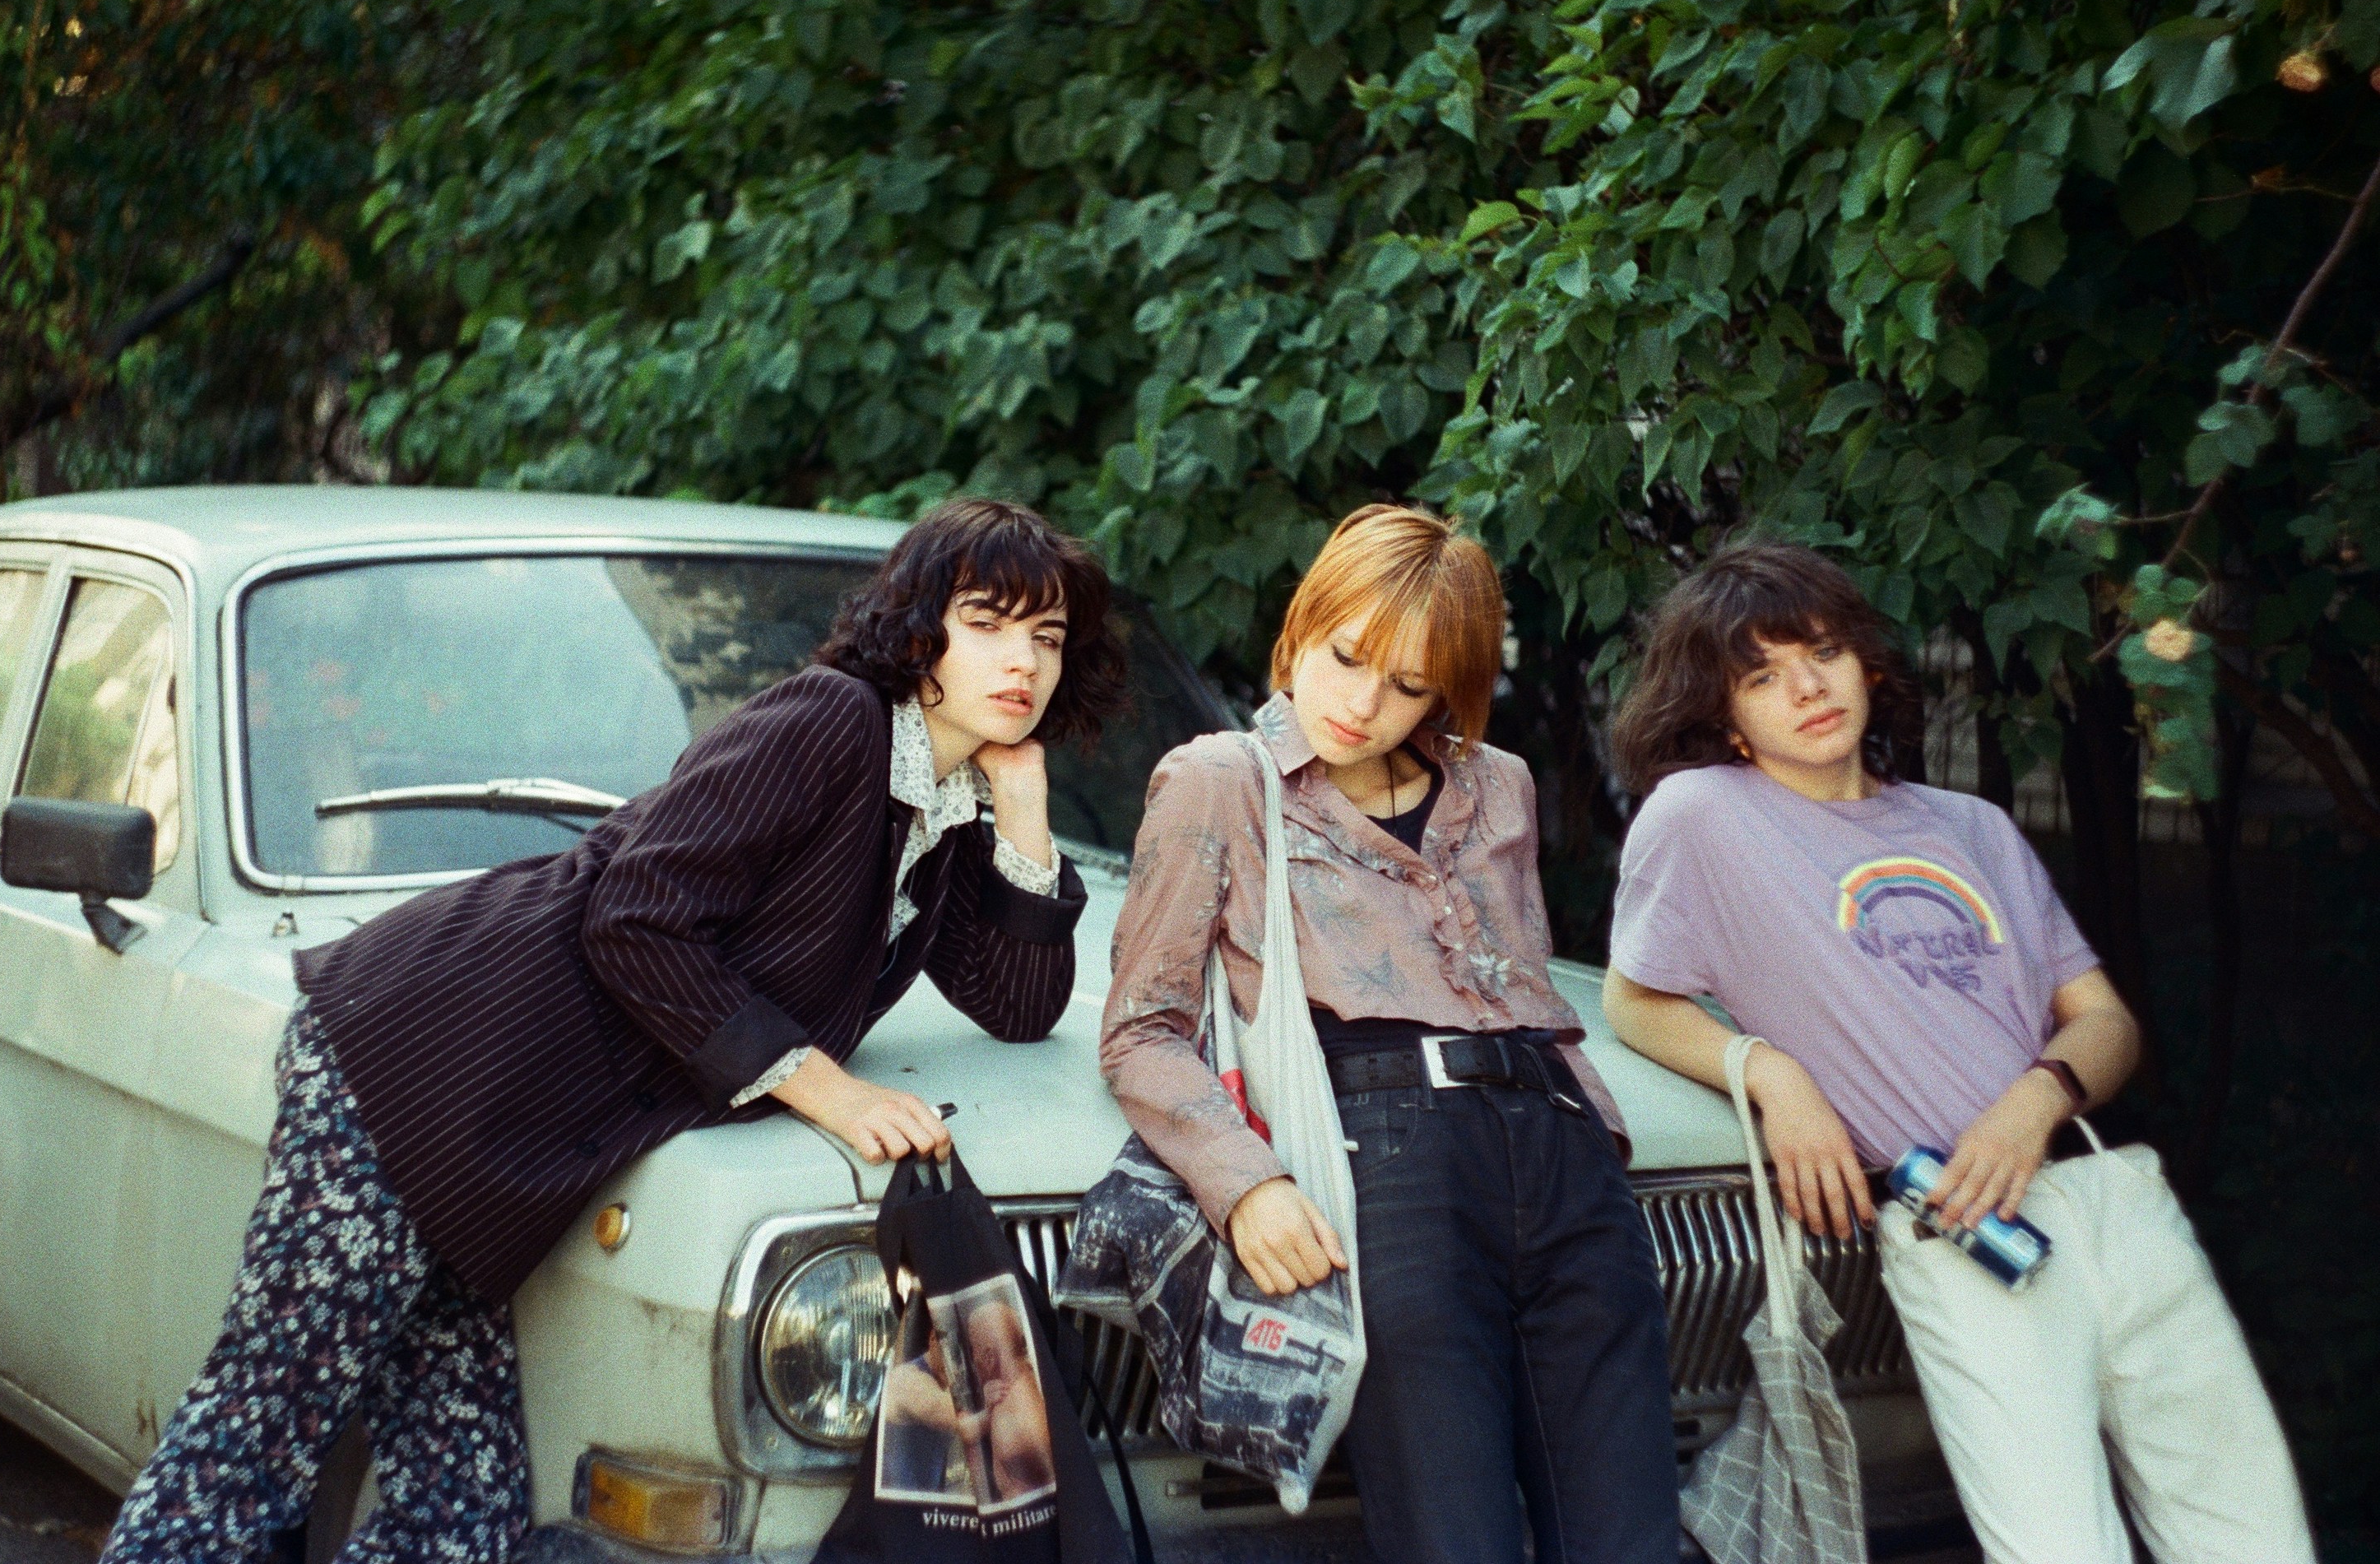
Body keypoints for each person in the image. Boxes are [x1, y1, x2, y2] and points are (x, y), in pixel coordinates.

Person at [100, 499, 1128, 1564]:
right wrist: (830, 1087)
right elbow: (633, 914)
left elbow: (1016, 1004)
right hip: (418, 1061)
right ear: (919, 631)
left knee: (459, 1514)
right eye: (987, 623)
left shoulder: (941, 802)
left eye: (1047, 636)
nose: (1023, 661)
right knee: (253, 1442)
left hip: (512, 1137)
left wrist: (1023, 804)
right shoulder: (833, 722)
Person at [1601, 541, 2316, 1564]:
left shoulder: (1969, 825)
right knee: (2058, 1548)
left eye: (1823, 652)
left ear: (1866, 662)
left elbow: (2105, 1022)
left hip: (2108, 1195)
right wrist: (1773, 1074)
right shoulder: (1705, 814)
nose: (1807, 687)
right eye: (1761, 675)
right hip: (1963, 1226)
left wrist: (2035, 1100)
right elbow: (1633, 998)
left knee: (2256, 1537)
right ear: (1724, 716)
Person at [1100, 504, 1682, 1564]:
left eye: (1408, 683)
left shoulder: (1500, 786)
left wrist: (1596, 1148)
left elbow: (1530, 993)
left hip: (1564, 1158)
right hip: (1388, 1163)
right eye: (1346, 655)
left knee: (1631, 1540)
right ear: (1301, 627)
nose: (1363, 702)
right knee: (1454, 1536)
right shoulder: (1219, 780)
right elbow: (1142, 1028)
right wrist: (1247, 1183)